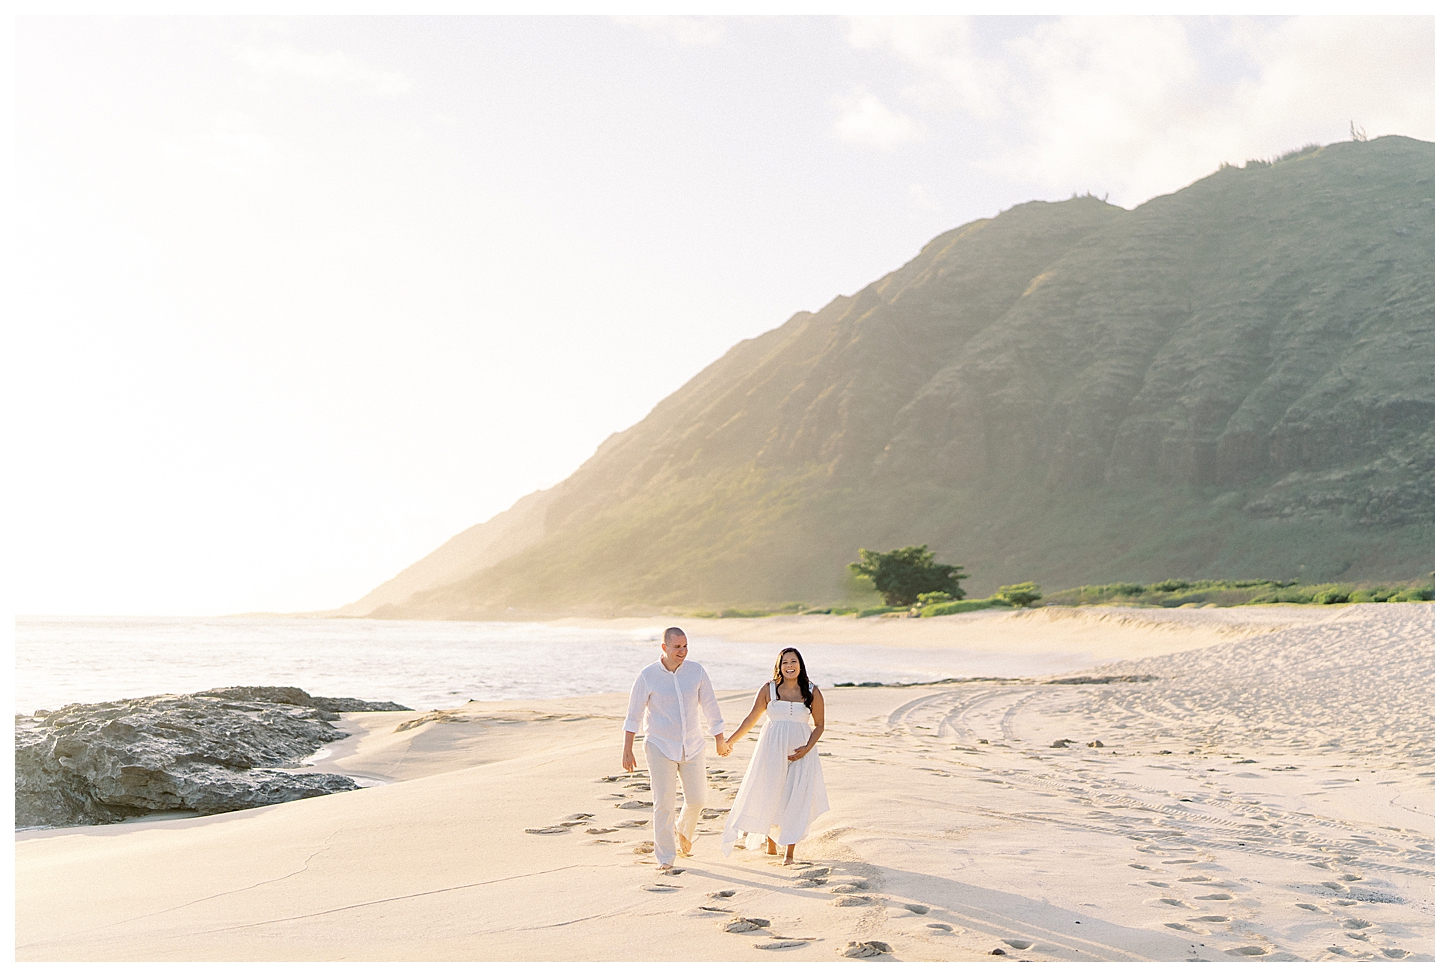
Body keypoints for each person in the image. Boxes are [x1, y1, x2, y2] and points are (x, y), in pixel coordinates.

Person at [622, 626, 728, 872]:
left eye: (685, 646)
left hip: (693, 744)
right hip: (660, 745)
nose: (682, 651)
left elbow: (711, 707)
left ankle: (683, 829)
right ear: (664, 648)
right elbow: (633, 715)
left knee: (698, 799)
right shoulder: (647, 675)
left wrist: (719, 738)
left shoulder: (696, 671)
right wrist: (628, 749)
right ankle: (666, 857)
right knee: (664, 803)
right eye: (677, 647)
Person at [718, 647, 828, 865]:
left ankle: (789, 853)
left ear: (800, 665)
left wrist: (807, 748)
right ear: (779, 666)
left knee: (795, 797)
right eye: (785, 662)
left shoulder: (811, 691)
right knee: (771, 792)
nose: (789, 666)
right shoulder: (768, 689)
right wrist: (730, 741)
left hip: (801, 752)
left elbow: (820, 725)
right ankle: (770, 841)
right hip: (771, 749)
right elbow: (751, 719)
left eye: (793, 661)